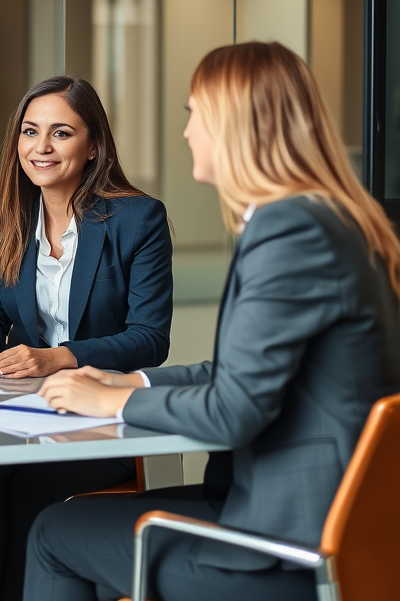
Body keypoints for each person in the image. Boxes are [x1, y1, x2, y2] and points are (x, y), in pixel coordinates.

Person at [25, 42, 400, 601]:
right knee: (91, 543)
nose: (187, 133)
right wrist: (133, 381)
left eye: (195, 114)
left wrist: (113, 403)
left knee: (55, 533)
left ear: (236, 126)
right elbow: (239, 372)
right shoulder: (326, 219)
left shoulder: (289, 233)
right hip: (308, 516)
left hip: (288, 544)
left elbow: (234, 412)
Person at [0, 76, 173, 601]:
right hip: (22, 409)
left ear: (93, 144)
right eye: (30, 132)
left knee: (29, 487)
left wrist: (60, 358)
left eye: (61, 133)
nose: (41, 148)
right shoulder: (7, 213)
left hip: (102, 414)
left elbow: (150, 338)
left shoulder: (137, 218)